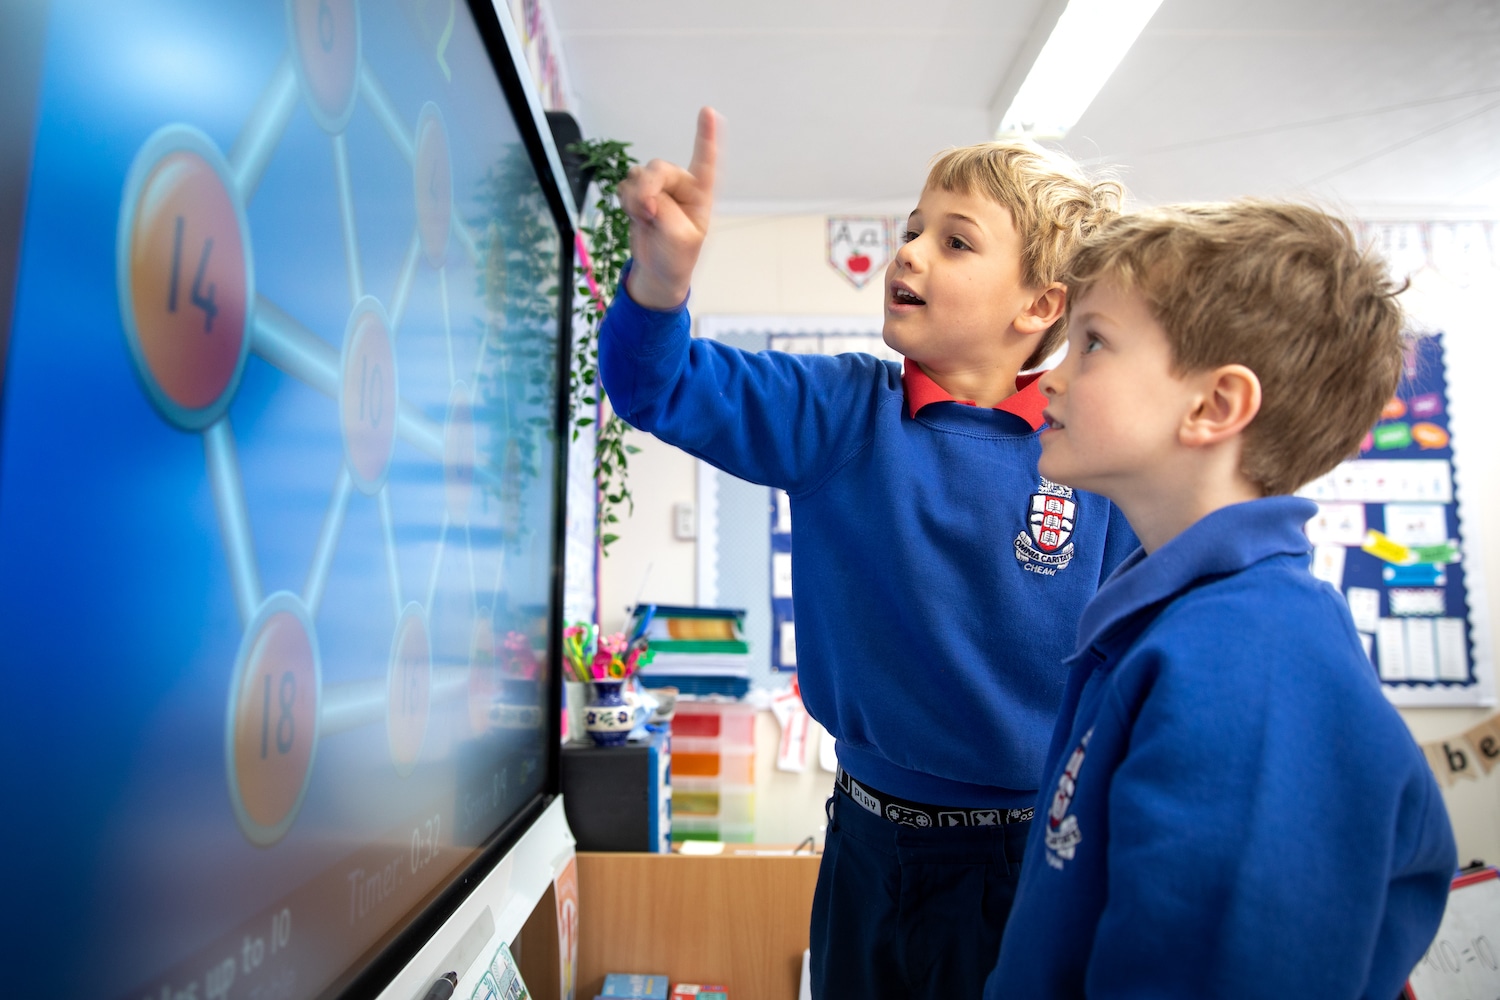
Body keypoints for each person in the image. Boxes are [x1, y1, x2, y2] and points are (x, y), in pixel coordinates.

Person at [599, 107, 1137, 998]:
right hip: (864, 842)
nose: (911, 253)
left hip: (1021, 858)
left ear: (1041, 306)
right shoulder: (844, 412)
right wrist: (658, 287)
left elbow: (1136, 660)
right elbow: (658, 385)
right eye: (913, 229)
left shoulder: (1089, 455)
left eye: (956, 242)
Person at [991, 201, 1457, 998]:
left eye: (1094, 342)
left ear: (1214, 407)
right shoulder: (1173, 622)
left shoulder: (1255, 661)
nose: (1051, 375)